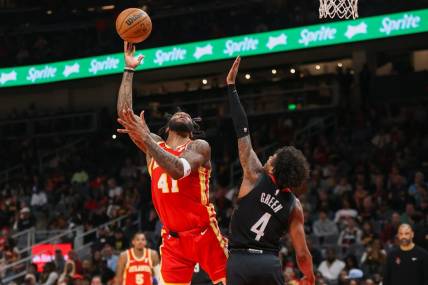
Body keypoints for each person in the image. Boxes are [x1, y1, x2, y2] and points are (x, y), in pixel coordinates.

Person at [116, 42, 227, 285]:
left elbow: (178, 170)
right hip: (173, 239)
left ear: (192, 129)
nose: (182, 113)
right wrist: (128, 69)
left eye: (188, 116)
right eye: (177, 113)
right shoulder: (154, 146)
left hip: (204, 233)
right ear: (166, 127)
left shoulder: (199, 147)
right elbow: (125, 113)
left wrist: (145, 138)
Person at [224, 56, 314, 285]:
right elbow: (302, 253)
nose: (268, 157)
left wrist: (231, 88)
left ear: (273, 166)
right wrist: (309, 275)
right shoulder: (295, 205)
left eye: (272, 156)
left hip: (239, 260)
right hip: (268, 263)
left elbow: (241, 129)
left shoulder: (254, 174)